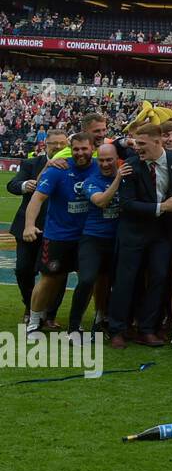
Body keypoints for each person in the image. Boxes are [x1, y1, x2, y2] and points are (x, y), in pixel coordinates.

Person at [106, 123, 172, 348]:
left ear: (158, 141)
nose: (137, 148)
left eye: (142, 144)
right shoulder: (131, 166)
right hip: (133, 232)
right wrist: (162, 207)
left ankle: (147, 329)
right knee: (125, 280)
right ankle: (117, 329)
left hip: (162, 234)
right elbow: (126, 204)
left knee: (159, 278)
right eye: (135, 143)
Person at [22, 133, 95, 339]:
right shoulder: (58, 169)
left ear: (92, 149)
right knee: (50, 279)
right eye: (76, 149)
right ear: (71, 149)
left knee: (87, 280)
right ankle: (34, 322)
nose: (80, 153)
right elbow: (37, 199)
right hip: (58, 236)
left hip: (88, 237)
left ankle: (77, 324)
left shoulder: (100, 167)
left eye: (84, 149)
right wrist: (29, 225)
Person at [8, 129, 66, 325]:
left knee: (56, 272)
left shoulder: (72, 166)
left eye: (62, 144)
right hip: (27, 227)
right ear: (45, 145)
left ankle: (50, 314)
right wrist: (26, 184)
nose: (58, 147)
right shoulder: (31, 163)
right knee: (23, 269)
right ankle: (30, 305)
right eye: (54, 144)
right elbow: (12, 185)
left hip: (58, 229)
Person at [75, 142, 128, 336]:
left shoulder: (127, 178)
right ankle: (74, 325)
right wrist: (118, 178)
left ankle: (102, 319)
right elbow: (101, 201)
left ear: (117, 160)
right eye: (101, 160)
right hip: (94, 238)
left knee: (112, 282)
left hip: (118, 239)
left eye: (109, 160)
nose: (105, 164)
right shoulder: (91, 180)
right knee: (87, 279)